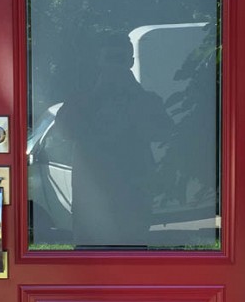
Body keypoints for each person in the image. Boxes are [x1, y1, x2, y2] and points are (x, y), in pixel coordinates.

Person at [55, 33, 172, 247]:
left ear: (130, 62)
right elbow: (65, 130)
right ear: (100, 61)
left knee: (131, 271)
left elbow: (162, 132)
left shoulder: (146, 100)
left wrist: (134, 95)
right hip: (92, 204)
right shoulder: (81, 100)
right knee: (89, 272)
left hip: (132, 202)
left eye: (120, 59)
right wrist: (96, 95)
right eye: (111, 58)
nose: (115, 65)